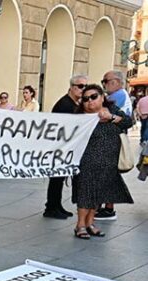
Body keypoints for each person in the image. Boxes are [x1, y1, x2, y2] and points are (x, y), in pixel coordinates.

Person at [72, 84, 133, 239]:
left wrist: (111, 118)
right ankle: (80, 225)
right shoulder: (79, 118)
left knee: (99, 195)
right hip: (87, 162)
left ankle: (90, 223)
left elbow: (128, 122)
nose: (89, 101)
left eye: (93, 97)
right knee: (85, 194)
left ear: (102, 97)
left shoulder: (112, 111)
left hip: (108, 162)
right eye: (85, 99)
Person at [44, 74, 88, 220]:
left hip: (65, 147)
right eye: (81, 86)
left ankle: (56, 205)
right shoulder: (65, 104)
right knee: (56, 178)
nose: (84, 89)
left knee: (60, 177)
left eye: (85, 86)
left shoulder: (73, 103)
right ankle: (51, 207)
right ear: (72, 87)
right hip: (59, 147)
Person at [96, 70, 133, 221]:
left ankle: (107, 208)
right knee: (109, 175)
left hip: (111, 140)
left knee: (107, 175)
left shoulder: (116, 97)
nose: (103, 84)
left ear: (116, 82)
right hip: (114, 139)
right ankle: (106, 207)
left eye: (105, 81)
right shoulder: (122, 95)